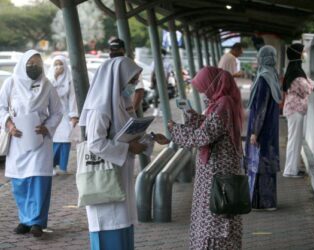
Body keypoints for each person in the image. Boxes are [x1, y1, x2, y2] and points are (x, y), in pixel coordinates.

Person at [79, 56, 168, 250]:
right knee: (109, 226)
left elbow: (129, 133)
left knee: (123, 224)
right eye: (132, 80)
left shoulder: (124, 102)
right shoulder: (100, 108)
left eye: (136, 80)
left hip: (121, 174)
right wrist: (128, 148)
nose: (134, 85)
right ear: (118, 79)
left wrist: (150, 138)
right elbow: (95, 142)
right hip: (104, 178)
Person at [168, 67, 244, 250]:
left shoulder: (224, 103)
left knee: (216, 217)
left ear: (213, 84)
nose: (202, 91)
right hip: (213, 172)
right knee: (210, 215)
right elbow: (207, 124)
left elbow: (204, 135)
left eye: (203, 87)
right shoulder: (219, 103)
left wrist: (175, 131)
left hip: (218, 174)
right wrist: (190, 114)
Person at [0, 50, 63, 237]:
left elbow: (58, 111)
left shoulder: (47, 85)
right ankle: (24, 220)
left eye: (38, 63)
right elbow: (1, 107)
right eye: (30, 63)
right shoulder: (10, 83)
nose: (34, 66)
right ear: (22, 64)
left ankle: (37, 222)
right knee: (20, 183)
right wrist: (9, 124)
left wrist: (48, 127)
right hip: (18, 140)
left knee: (39, 181)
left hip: (40, 140)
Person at [245, 45, 282, 211]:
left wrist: (255, 132)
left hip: (262, 129)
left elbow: (260, 108)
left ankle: (263, 202)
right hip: (271, 128)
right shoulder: (272, 75)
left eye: (260, 56)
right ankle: (267, 201)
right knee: (267, 164)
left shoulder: (263, 78)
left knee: (260, 164)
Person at [282, 43, 314, 178]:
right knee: (294, 141)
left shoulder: (293, 71)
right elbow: (308, 89)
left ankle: (293, 169)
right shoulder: (297, 73)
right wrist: (310, 84)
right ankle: (290, 171)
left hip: (293, 109)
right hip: (295, 111)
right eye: (302, 52)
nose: (304, 54)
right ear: (297, 54)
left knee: (295, 140)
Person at [48, 55, 78, 175]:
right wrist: (55, 77)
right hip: (50, 114)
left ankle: (62, 165)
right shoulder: (48, 79)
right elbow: (47, 92)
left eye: (61, 64)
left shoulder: (69, 79)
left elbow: (72, 98)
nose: (59, 67)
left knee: (65, 139)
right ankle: (50, 165)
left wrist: (74, 115)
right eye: (56, 64)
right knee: (53, 140)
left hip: (65, 114)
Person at [109, 38, 145, 112]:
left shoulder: (130, 66)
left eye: (116, 49)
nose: (113, 52)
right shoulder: (108, 67)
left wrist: (132, 111)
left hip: (127, 111)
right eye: (112, 50)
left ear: (123, 50)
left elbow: (139, 90)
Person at [150, 48, 173, 116]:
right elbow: (152, 72)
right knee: (155, 95)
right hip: (156, 80)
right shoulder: (154, 61)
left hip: (163, 81)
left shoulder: (167, 62)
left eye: (162, 54)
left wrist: (166, 82)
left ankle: (162, 110)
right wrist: (151, 82)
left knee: (163, 96)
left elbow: (168, 73)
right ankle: (156, 110)